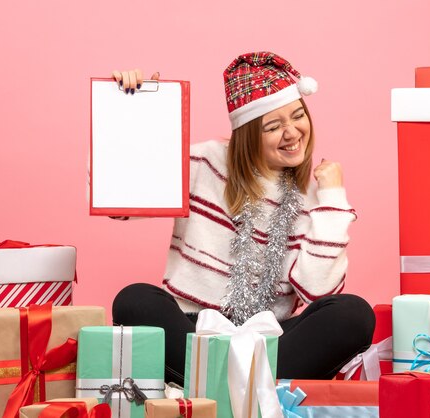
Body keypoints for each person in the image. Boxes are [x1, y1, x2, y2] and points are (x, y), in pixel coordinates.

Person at [111, 51, 375, 386]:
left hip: (269, 339)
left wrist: (333, 198)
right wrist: (132, 109)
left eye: (298, 116)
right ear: (248, 133)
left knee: (353, 314)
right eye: (274, 126)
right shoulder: (203, 162)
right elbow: (120, 200)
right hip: (193, 331)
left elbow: (319, 293)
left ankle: (218, 388)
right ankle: (251, 390)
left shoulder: (314, 200)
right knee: (135, 300)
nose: (292, 133)